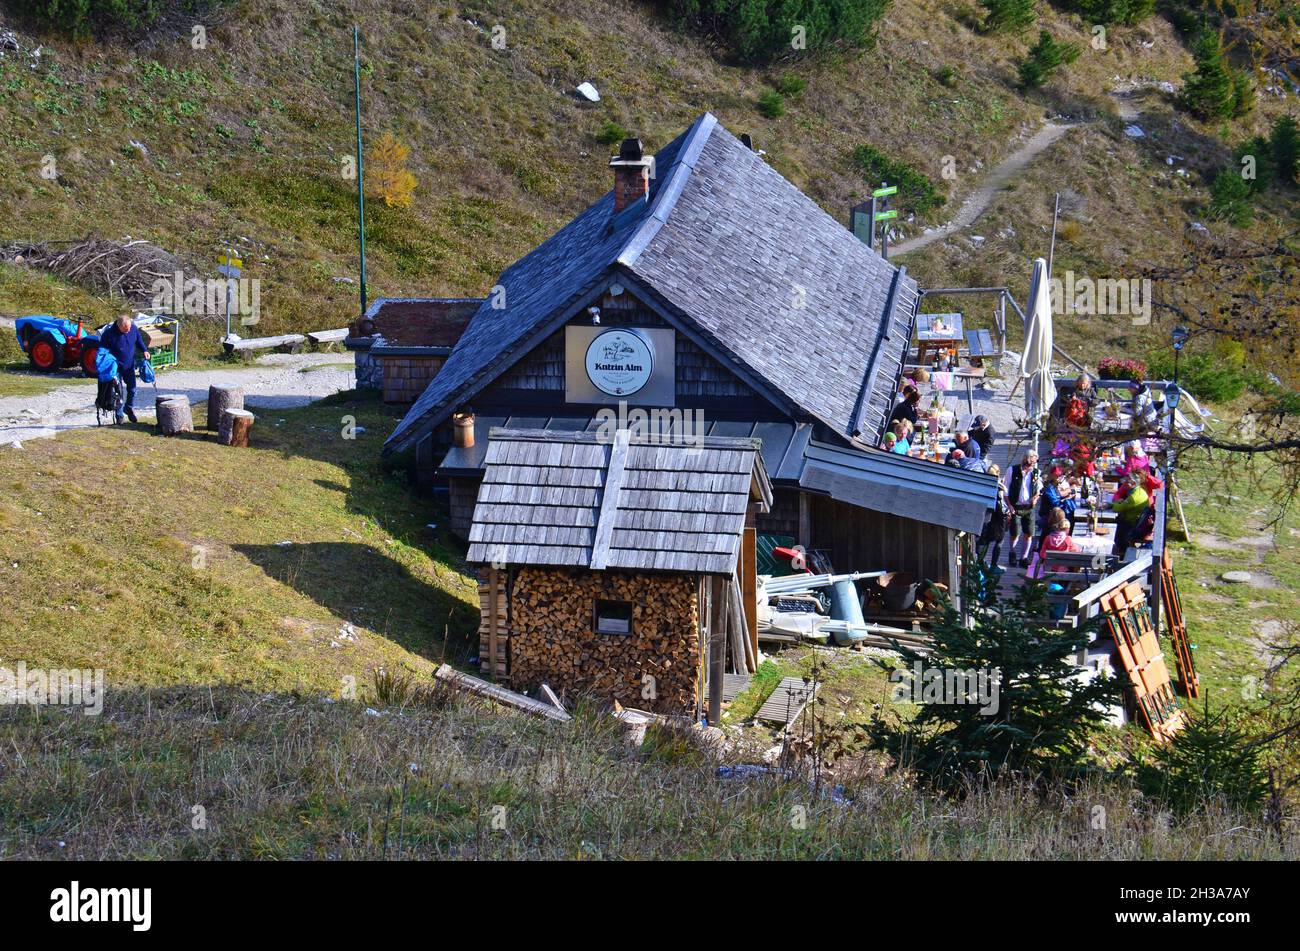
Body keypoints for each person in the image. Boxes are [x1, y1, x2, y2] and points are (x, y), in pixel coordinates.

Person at [98, 313, 149, 423]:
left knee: (132, 389)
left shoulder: (133, 329)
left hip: (129, 365)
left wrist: (144, 350)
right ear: (119, 326)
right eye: (126, 329)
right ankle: (119, 415)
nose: (128, 330)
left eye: (129, 327)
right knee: (118, 392)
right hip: (115, 367)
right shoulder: (108, 334)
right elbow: (102, 351)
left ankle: (129, 407)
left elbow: (138, 340)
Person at [1006, 451, 1042, 567]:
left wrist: (1036, 498)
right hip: (1015, 506)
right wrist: (1009, 505)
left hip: (1029, 507)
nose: (1032, 464)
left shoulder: (1036, 473)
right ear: (1026, 458)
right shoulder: (1012, 470)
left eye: (1034, 461)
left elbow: (1039, 489)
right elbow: (1005, 488)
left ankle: (1024, 558)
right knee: (1015, 533)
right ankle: (1012, 554)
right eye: (1031, 460)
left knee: (1029, 533)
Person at [1029, 507, 1081, 578]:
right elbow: (1077, 552)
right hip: (1064, 571)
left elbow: (1042, 554)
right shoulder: (1068, 539)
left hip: (1049, 570)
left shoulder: (1048, 538)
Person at [977, 464, 1010, 567]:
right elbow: (1001, 504)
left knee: (983, 541)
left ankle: (980, 563)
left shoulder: (982, 483)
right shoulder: (999, 487)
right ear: (997, 473)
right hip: (997, 519)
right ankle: (994, 564)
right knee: (999, 541)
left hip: (984, 517)